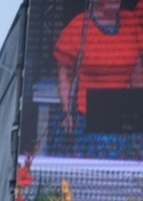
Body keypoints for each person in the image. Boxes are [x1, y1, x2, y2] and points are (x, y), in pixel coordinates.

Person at [54, 0, 143, 155]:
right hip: (86, 119)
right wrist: (66, 111)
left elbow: (137, 72)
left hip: (124, 116)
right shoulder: (78, 27)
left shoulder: (131, 23)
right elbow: (64, 77)